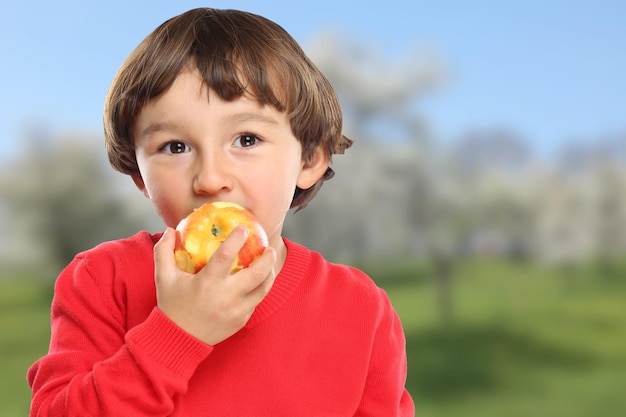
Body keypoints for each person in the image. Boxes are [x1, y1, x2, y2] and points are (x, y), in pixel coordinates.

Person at [27, 7, 415, 416]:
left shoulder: (361, 309)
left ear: (309, 159)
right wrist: (176, 334)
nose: (210, 179)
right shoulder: (102, 282)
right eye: (175, 147)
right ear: (138, 174)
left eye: (246, 139)